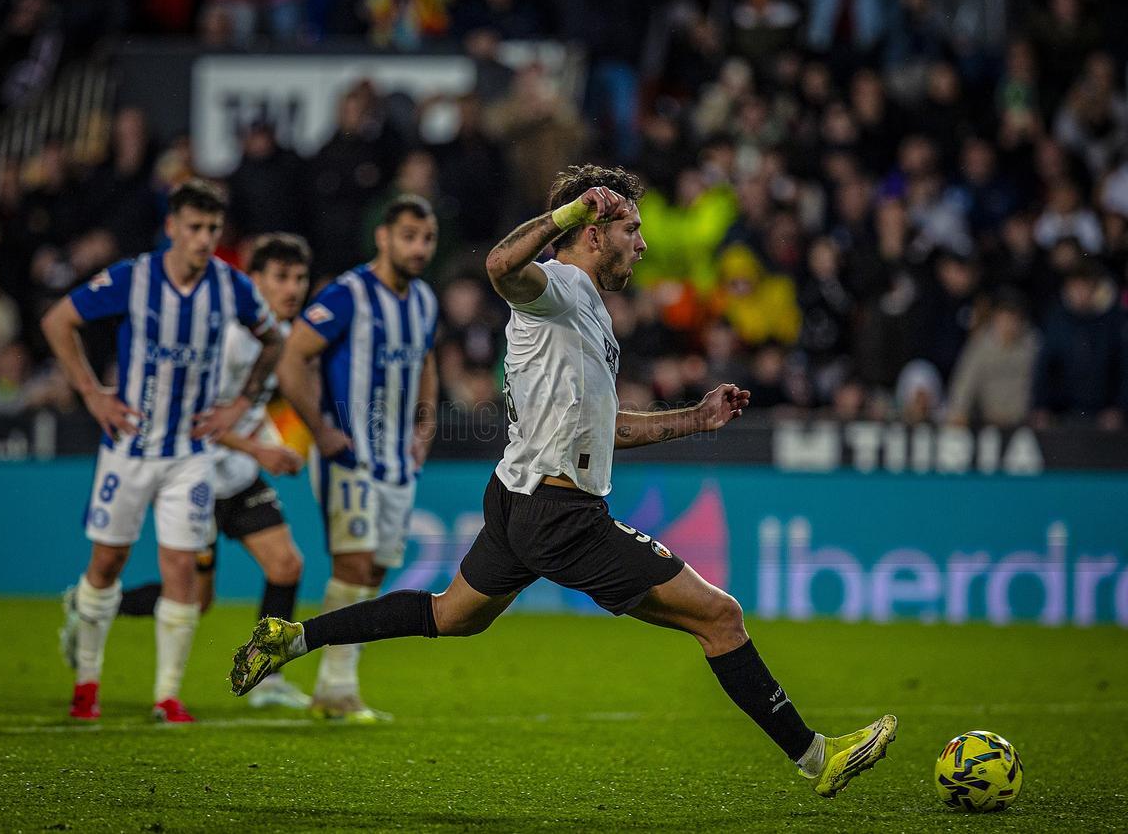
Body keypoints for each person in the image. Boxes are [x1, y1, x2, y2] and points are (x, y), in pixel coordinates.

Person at [229, 165, 897, 797]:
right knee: (720, 617)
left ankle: (296, 638)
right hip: (561, 515)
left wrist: (696, 417)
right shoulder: (560, 285)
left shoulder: (589, 314)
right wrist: (571, 209)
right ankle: (817, 758)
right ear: (595, 232)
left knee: (447, 615)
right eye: (631, 229)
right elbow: (499, 267)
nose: (641, 243)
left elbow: (604, 430)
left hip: (517, 501)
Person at [41, 179, 282, 723]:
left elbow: (275, 340)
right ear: (171, 227)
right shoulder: (134, 277)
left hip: (189, 454)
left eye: (212, 229)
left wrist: (237, 405)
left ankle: (166, 696)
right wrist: (89, 393)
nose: (203, 239)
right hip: (128, 446)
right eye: (194, 228)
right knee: (108, 562)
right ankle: (87, 685)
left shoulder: (231, 286)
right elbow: (58, 321)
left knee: (182, 572)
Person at [82, 233, 314, 710]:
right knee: (194, 599)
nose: (292, 288)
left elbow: (245, 409)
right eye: (280, 277)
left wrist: (270, 445)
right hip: (198, 476)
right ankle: (89, 605)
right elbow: (192, 416)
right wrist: (260, 450)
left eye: (299, 278)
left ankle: (266, 678)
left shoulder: (281, 338)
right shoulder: (229, 340)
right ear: (255, 282)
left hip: (239, 474)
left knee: (287, 564)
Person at [273, 194, 440, 722]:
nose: (419, 247)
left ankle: (336, 687)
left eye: (427, 238)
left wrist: (424, 427)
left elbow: (426, 360)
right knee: (354, 562)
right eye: (409, 236)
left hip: (397, 462)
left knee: (377, 571)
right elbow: (292, 357)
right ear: (384, 237)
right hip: (350, 455)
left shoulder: (424, 301)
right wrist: (320, 430)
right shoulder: (347, 294)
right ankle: (336, 688)